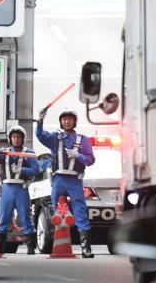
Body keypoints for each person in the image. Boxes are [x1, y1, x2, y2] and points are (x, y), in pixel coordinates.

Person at [35, 107, 96, 258]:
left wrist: (78, 155)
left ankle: (85, 248)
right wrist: (40, 120)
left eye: (70, 119)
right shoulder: (55, 138)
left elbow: (90, 160)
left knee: (80, 213)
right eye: (64, 119)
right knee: (58, 213)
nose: (67, 121)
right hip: (59, 180)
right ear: (61, 122)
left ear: (74, 122)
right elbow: (40, 136)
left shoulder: (83, 140)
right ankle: (60, 245)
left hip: (75, 180)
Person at [0, 124, 40, 255]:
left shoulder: (29, 153)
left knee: (26, 217)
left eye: (19, 137)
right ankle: (0, 248)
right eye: (14, 137)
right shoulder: (4, 152)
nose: (16, 139)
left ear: (22, 139)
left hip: (21, 188)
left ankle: (30, 247)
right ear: (10, 138)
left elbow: (36, 170)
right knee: (4, 217)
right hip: (7, 188)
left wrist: (22, 170)